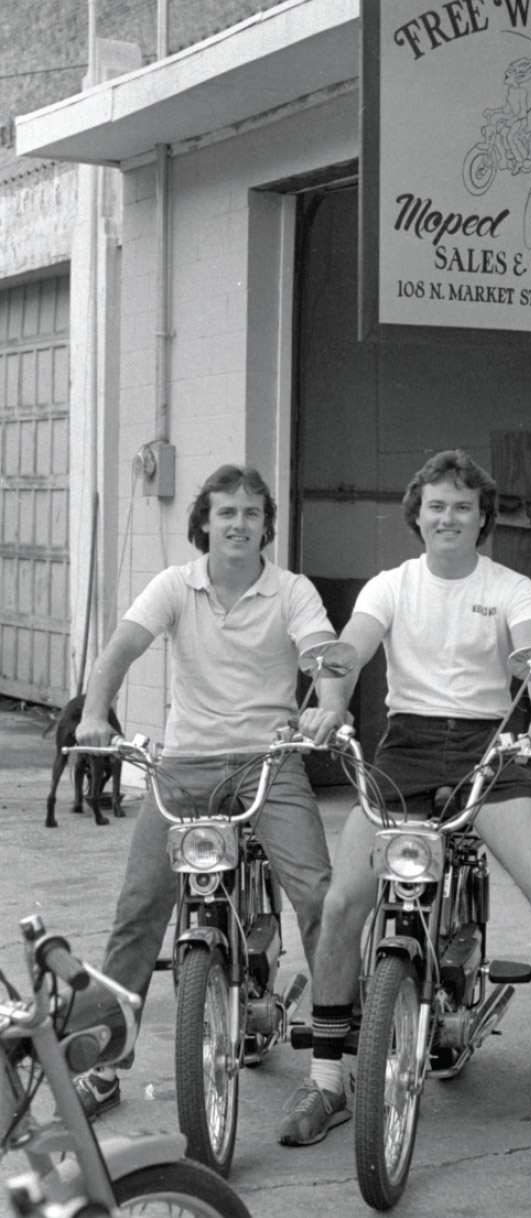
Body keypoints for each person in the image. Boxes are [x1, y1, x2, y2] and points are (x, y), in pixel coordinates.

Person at [278, 449, 531, 1146]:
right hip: (407, 746)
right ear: (417, 516)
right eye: (436, 505)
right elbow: (349, 651)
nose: (448, 516)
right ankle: (329, 1081)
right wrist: (330, 702)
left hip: (489, 745)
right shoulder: (390, 586)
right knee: (341, 903)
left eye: (462, 506)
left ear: (483, 517)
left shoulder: (512, 587)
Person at [72, 464, 336, 1118]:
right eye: (226, 513)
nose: (239, 524)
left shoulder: (291, 590)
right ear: (205, 523)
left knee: (318, 893)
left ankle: (340, 1060)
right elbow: (120, 650)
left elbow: (325, 656)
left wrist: (328, 705)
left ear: (265, 524)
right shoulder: (174, 586)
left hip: (267, 763)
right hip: (184, 763)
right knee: (139, 906)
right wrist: (95, 713)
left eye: (250, 513)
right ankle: (103, 1064)